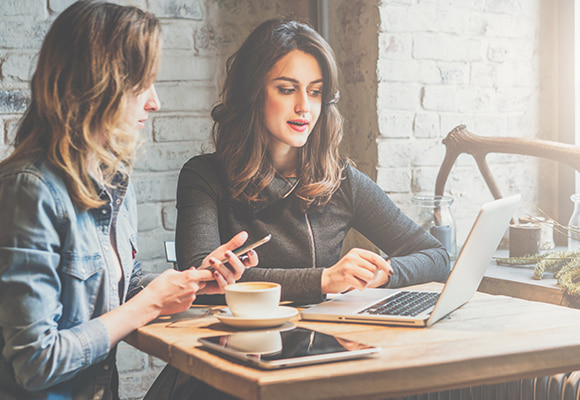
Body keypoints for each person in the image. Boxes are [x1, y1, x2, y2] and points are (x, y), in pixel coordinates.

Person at [0, 2, 257, 399]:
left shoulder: (114, 181)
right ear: (98, 85)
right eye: (142, 85)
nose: (154, 102)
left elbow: (124, 284)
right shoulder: (28, 191)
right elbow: (36, 362)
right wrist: (151, 305)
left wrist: (192, 283)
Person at [175, 17, 450, 306]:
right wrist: (324, 280)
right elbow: (199, 277)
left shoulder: (342, 180)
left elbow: (437, 256)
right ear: (252, 93)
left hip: (327, 344)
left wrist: (382, 273)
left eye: (315, 92)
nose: (304, 106)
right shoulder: (203, 175)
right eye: (286, 89)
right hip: (238, 344)